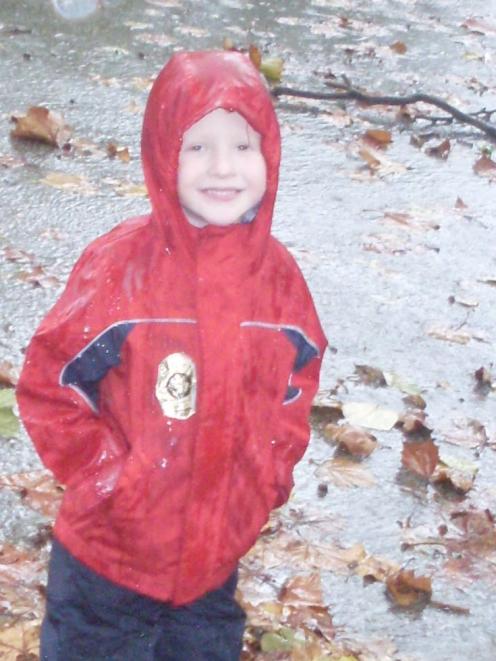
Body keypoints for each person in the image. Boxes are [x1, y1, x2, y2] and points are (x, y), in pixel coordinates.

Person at [16, 50, 327, 660]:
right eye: (196, 146)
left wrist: (265, 476)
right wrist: (112, 478)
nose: (222, 167)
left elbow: (298, 379)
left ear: (270, 156)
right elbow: (51, 384)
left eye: (242, 147)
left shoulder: (280, 281)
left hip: (212, 561)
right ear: (163, 153)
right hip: (107, 565)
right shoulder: (120, 269)